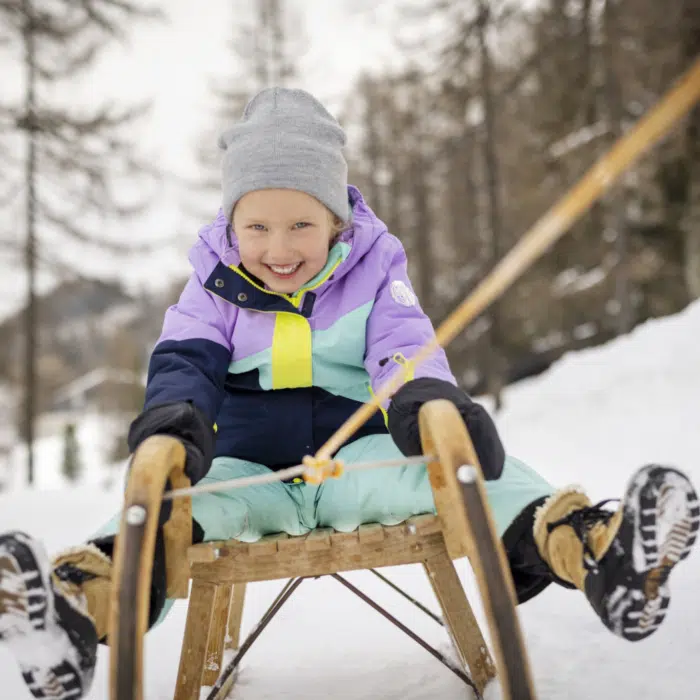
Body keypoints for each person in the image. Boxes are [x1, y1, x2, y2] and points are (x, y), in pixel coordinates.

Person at [0, 88, 697, 700]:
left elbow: (402, 343)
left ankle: (599, 553)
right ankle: (75, 610)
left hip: (360, 459)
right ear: (231, 225)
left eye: (301, 223)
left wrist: (429, 402)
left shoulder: (372, 268)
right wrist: (173, 423)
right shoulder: (210, 285)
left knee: (473, 474)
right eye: (257, 226)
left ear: (336, 219)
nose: (278, 246)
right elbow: (186, 360)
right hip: (251, 470)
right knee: (163, 508)